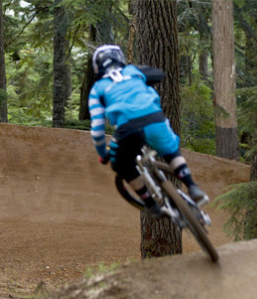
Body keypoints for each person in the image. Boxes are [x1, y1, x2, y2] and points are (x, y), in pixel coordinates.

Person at [88, 44, 208, 218]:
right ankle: (192, 187)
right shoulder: (133, 71)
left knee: (122, 165)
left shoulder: (97, 89)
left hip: (128, 129)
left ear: (97, 66)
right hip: (154, 119)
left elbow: (97, 130)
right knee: (171, 151)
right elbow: (158, 74)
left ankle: (151, 205)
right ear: (120, 58)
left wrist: (102, 154)